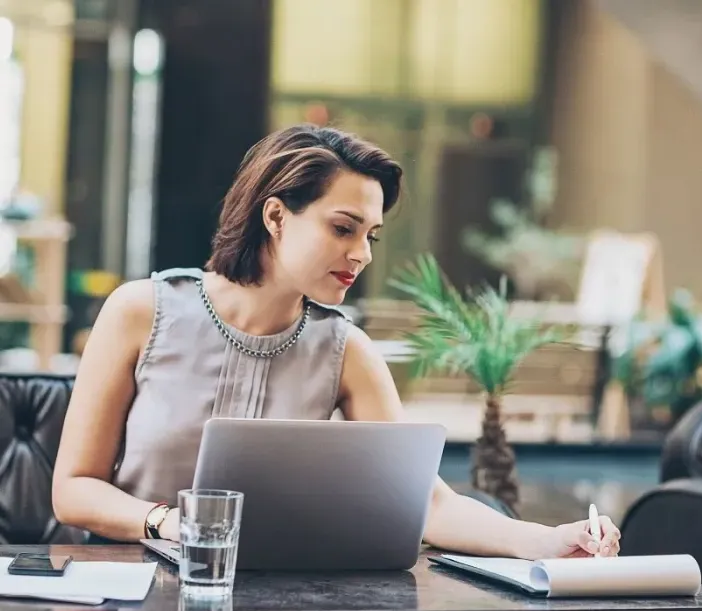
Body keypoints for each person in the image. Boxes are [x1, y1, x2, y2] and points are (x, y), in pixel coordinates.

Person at [51, 124, 621, 560]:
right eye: (342, 228)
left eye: (370, 235)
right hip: (127, 589)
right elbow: (73, 489)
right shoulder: (140, 311)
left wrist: (546, 542)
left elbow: (426, 502)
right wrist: (168, 524)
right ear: (275, 216)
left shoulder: (346, 350)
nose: (362, 254)